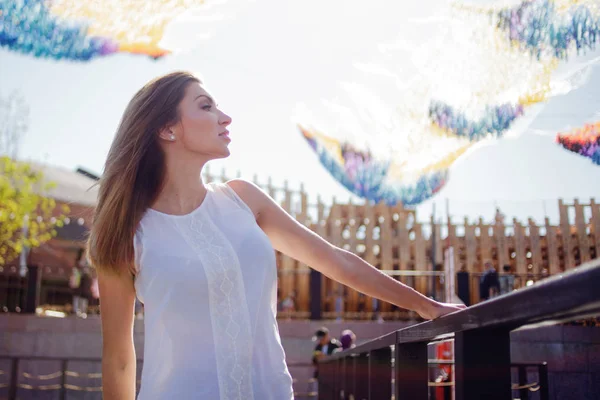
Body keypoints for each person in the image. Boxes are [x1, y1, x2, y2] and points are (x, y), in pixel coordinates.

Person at [87, 71, 465, 400]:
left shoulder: (244, 201)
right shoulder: (127, 235)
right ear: (167, 128)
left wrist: (426, 306)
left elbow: (337, 261)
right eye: (206, 107)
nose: (225, 117)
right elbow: (119, 358)